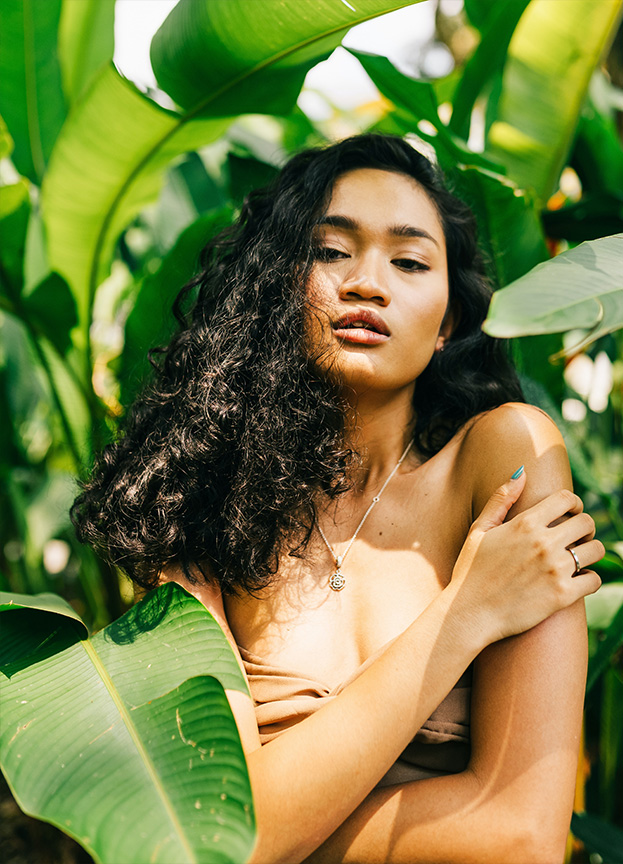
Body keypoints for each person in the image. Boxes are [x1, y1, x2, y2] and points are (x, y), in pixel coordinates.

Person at [72, 134, 604, 864]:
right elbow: (215, 839)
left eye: (410, 261)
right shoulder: (199, 503)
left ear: (448, 320)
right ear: (277, 283)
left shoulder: (504, 455)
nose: (367, 284)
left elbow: (522, 834)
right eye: (330, 252)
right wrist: (464, 611)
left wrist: (278, 825)